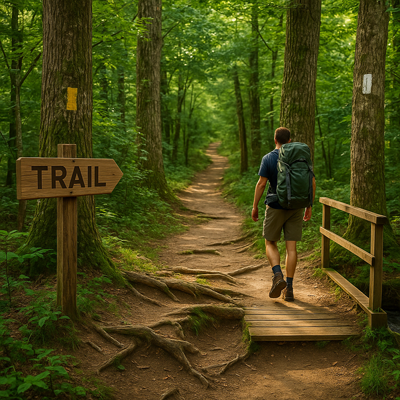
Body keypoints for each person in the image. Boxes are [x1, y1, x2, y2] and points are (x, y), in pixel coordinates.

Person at [251, 127, 316, 301]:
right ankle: (290, 288)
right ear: (289, 141)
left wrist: (255, 206)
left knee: (270, 242)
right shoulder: (298, 158)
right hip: (296, 206)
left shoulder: (269, 158)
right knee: (291, 248)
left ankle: (277, 274)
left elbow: (261, 184)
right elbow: (312, 181)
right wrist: (309, 205)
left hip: (274, 206)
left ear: (275, 140)